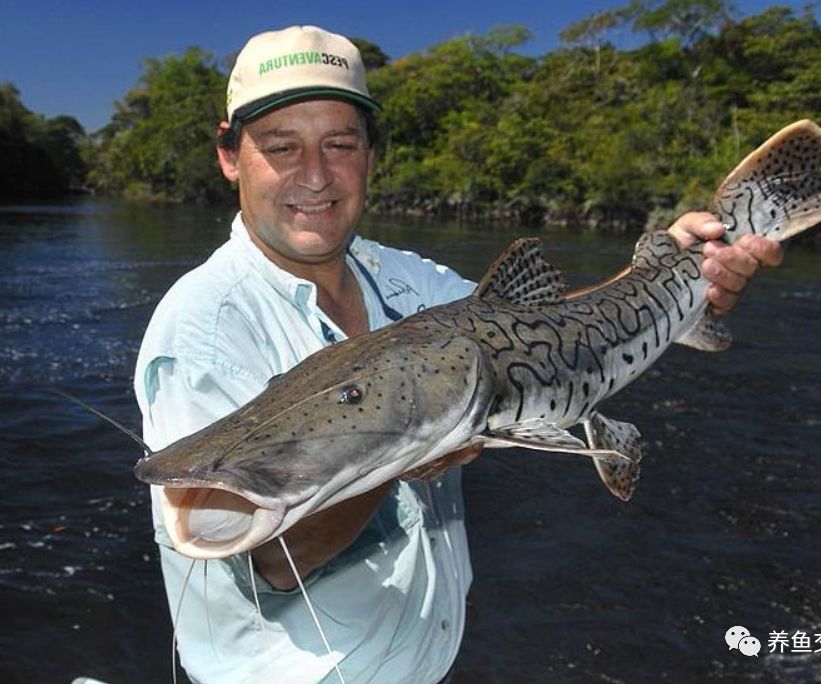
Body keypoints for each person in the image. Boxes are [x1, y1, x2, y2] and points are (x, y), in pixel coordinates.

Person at [133, 24, 783, 684]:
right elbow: (273, 560)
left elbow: (543, 323)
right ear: (229, 155)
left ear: (370, 157)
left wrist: (674, 267)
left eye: (340, 144)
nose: (316, 175)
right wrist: (407, 453)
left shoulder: (399, 277)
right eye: (281, 146)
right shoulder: (202, 331)